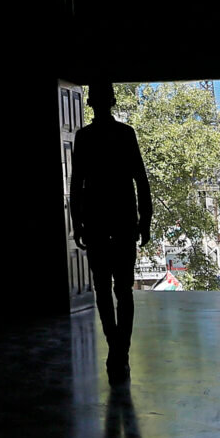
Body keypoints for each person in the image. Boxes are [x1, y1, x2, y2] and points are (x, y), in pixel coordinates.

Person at [69, 83, 151, 382]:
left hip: (95, 219)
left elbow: (76, 184)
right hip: (123, 217)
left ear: (90, 103)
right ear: (113, 101)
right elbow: (140, 179)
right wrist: (146, 220)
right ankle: (120, 351)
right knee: (122, 289)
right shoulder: (125, 133)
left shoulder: (84, 136)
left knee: (103, 288)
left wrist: (77, 222)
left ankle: (115, 347)